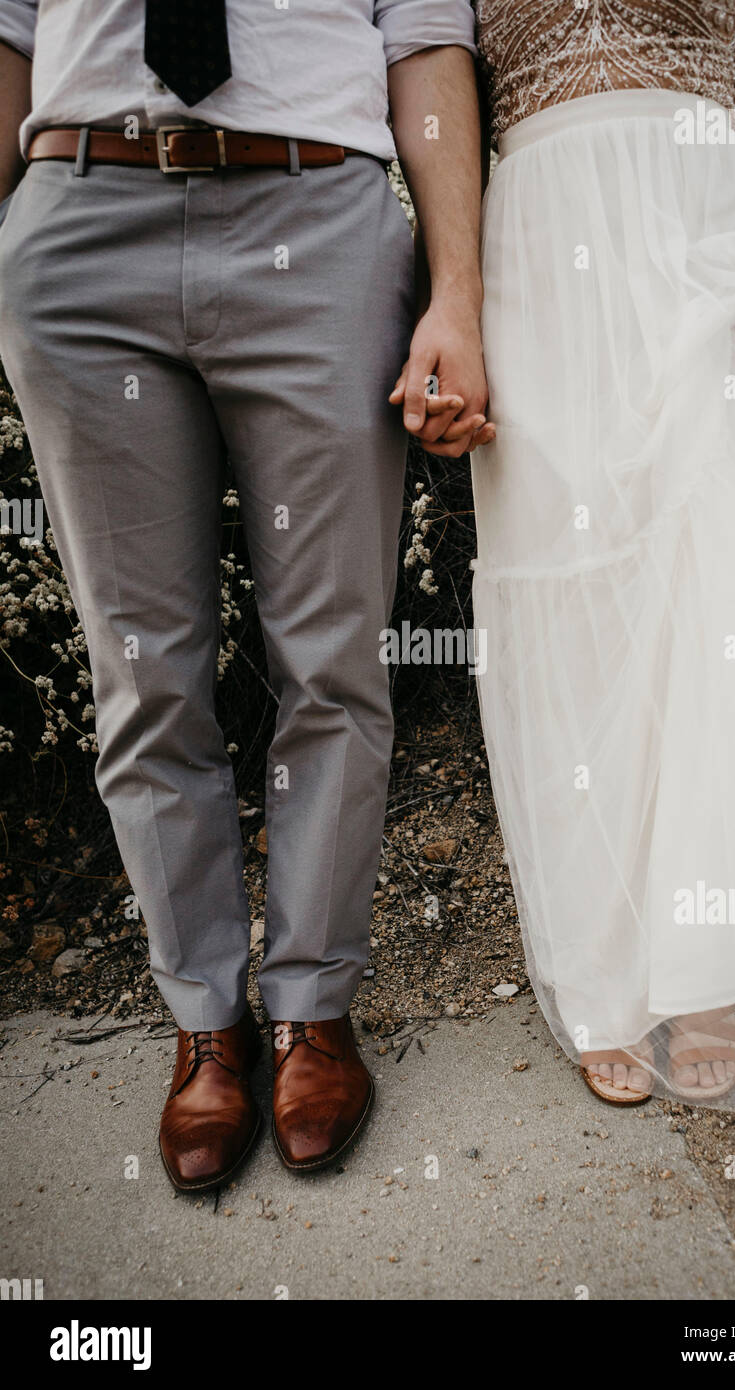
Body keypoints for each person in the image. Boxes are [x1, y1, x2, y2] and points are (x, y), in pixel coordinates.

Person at [0, 0, 493, 1188]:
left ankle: (311, 1009)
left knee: (330, 655)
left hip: (314, 214)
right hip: (81, 217)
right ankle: (204, 1022)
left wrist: (457, 295)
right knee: (139, 667)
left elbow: (424, 41)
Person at [469, 0, 735, 1111]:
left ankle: (700, 966)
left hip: (698, 237)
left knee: (712, 578)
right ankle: (602, 955)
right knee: (572, 596)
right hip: (538, 245)